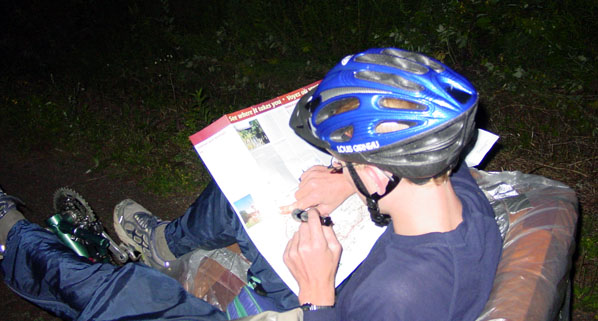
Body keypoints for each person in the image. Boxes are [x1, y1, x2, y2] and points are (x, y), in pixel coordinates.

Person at [0, 47, 501, 321]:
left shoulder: (397, 296)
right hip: (356, 275)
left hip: (326, 301)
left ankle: (12, 236)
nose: (333, 164)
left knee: (126, 299)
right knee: (244, 193)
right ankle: (163, 244)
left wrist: (317, 294)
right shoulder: (463, 194)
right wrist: (348, 186)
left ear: (376, 171)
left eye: (339, 159)